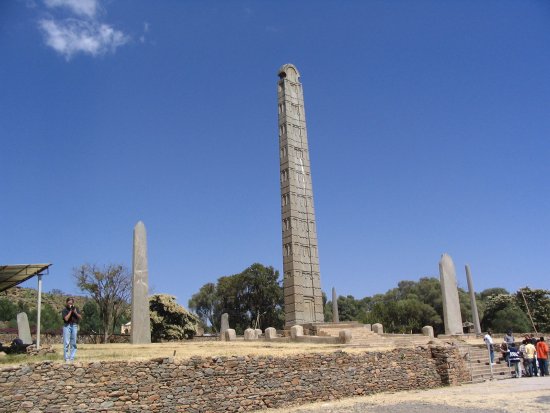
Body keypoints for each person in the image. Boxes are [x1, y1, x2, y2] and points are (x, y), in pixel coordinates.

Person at [61, 297, 82, 362]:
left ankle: (72, 358)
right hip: (67, 326)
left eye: (72, 303)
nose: (70, 304)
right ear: (66, 303)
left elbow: (80, 317)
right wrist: (70, 311)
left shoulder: (76, 309)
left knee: (73, 342)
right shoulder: (64, 310)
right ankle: (66, 358)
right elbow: (66, 319)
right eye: (69, 303)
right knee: (66, 342)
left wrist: (75, 312)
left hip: (74, 325)